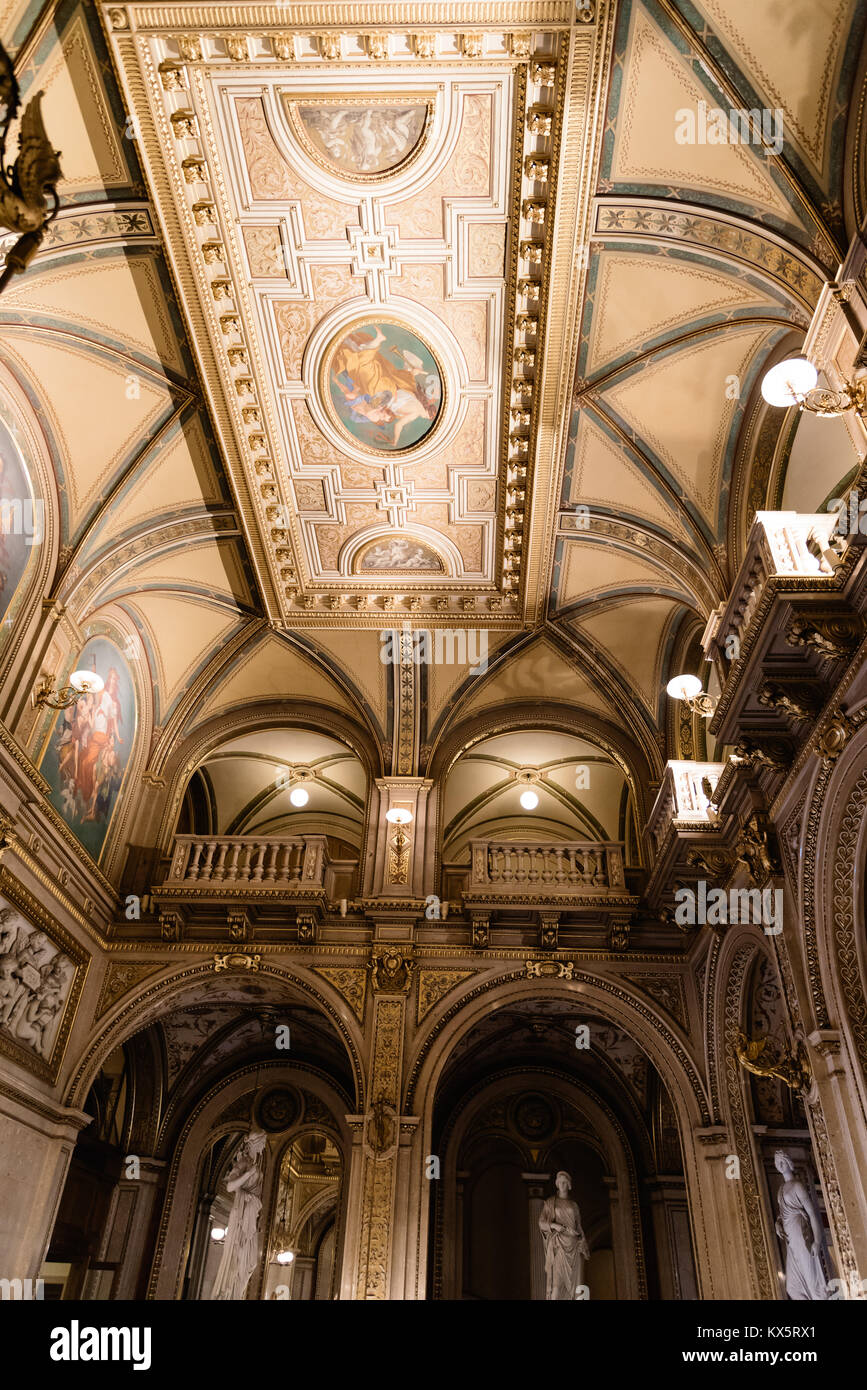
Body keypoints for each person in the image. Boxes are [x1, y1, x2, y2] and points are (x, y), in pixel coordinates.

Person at [211, 1131, 268, 1300]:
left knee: (251, 1261)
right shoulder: (244, 1162)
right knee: (239, 1255)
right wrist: (248, 1175)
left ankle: (237, 1295)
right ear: (254, 1143)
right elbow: (230, 1187)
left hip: (251, 1211)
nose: (264, 1146)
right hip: (242, 1212)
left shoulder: (256, 1163)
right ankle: (229, 1294)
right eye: (262, 1142)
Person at [774, 1150, 829, 1299]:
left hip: (801, 1234)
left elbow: (811, 1213)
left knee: (813, 1282)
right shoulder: (780, 1190)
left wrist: (817, 1241)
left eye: (782, 1160)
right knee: (793, 1289)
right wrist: (777, 1224)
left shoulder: (797, 1185)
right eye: (777, 1162)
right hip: (790, 1239)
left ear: (788, 1162)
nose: (780, 1164)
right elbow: (782, 1214)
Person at [538, 1170, 590, 1299]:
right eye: (560, 1182)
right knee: (557, 1283)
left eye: (565, 1182)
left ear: (569, 1185)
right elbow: (541, 1222)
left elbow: (578, 1226)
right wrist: (554, 1225)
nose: (562, 1184)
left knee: (577, 1285)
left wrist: (583, 1241)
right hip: (559, 1245)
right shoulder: (550, 1202)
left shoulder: (574, 1205)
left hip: (574, 1245)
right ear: (556, 1184)